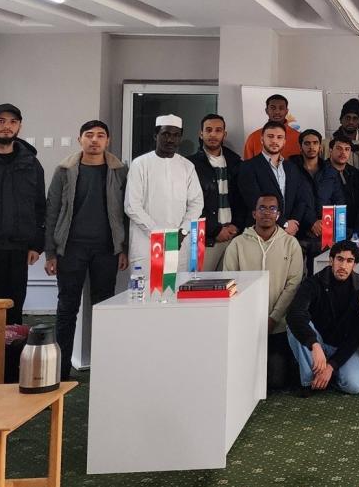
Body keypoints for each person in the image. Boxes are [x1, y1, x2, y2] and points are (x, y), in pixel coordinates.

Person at [44, 119, 128, 380]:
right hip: (71, 249)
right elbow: (52, 210)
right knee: (67, 308)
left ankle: (104, 370)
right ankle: (61, 372)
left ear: (108, 141)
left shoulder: (119, 171)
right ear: (79, 139)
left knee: (103, 308)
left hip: (106, 250)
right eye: (89, 135)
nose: (94, 140)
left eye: (100, 135)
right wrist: (50, 252)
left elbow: (126, 212)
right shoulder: (64, 170)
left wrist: (123, 248)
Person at [223, 194, 304, 388]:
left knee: (275, 382)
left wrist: (273, 318)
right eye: (262, 208)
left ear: (278, 215)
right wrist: (247, 318)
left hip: (279, 326)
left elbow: (293, 285)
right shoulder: (237, 244)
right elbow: (229, 283)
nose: (267, 213)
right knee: (244, 379)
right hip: (246, 325)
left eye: (272, 208)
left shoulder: (291, 244)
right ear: (254, 213)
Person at [124, 114, 204, 276]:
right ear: (156, 135)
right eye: (165, 134)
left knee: (177, 287)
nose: (170, 140)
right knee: (146, 289)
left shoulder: (187, 166)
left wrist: (182, 232)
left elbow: (196, 203)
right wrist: (159, 234)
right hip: (147, 243)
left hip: (179, 242)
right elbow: (132, 206)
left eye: (176, 135)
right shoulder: (140, 164)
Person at [286, 240, 359, 396]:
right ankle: (309, 382)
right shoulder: (313, 282)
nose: (343, 265)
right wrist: (314, 345)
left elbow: (356, 334)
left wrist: (331, 366)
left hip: (343, 346)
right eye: (339, 259)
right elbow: (294, 314)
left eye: (349, 261)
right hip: (317, 343)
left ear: (355, 265)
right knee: (294, 325)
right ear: (331, 260)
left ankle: (328, 375)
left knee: (355, 385)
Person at [0, 103, 45, 326]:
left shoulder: (31, 163)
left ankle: (12, 349)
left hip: (18, 250)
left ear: (19, 127)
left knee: (14, 309)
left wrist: (36, 244)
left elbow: (39, 206)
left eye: (13, 122)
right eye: (0, 121)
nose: (7, 126)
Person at [238, 120, 315, 237]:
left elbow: (301, 199)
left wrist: (293, 223)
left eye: (279, 137)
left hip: (290, 233)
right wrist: (284, 223)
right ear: (262, 139)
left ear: (284, 141)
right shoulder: (248, 167)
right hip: (260, 233)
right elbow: (254, 201)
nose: (274, 141)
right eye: (270, 136)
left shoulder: (292, 168)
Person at [187, 114, 245, 271]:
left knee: (230, 284)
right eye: (208, 130)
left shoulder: (236, 162)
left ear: (224, 134)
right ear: (201, 134)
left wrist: (237, 225)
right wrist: (215, 230)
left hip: (233, 236)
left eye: (218, 130)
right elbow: (190, 204)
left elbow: (242, 199)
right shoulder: (190, 165)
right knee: (199, 282)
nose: (213, 134)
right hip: (205, 239)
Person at [243, 94, 301, 160]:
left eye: (281, 108)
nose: (277, 112)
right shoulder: (253, 137)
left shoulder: (298, 138)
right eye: (273, 108)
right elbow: (247, 165)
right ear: (266, 111)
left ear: (286, 111)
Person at [322, 98, 359, 170]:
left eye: (355, 118)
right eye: (347, 118)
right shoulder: (325, 146)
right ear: (341, 120)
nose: (351, 122)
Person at [327, 134, 359, 233]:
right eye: (339, 148)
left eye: (347, 149)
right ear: (330, 150)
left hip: (354, 225)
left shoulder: (355, 173)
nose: (343, 152)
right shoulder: (322, 172)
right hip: (330, 225)